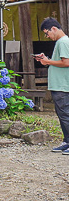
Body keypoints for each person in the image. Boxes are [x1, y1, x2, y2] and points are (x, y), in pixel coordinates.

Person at [34, 17, 69, 154]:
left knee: (66, 114)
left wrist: (48, 62)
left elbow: (66, 62)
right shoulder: (62, 42)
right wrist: (47, 59)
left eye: (47, 33)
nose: (47, 36)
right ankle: (67, 141)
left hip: (63, 85)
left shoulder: (63, 42)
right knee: (62, 115)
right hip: (59, 85)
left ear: (53, 28)